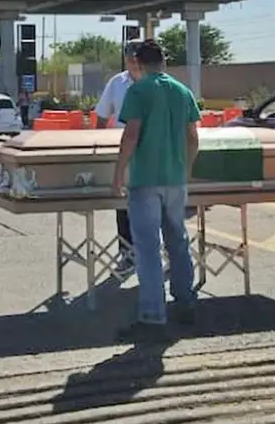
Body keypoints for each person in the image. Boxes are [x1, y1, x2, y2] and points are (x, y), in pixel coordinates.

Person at [111, 38, 201, 342]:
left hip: (145, 179)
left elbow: (131, 134)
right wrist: (185, 170)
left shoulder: (138, 91)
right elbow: (193, 137)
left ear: (138, 62)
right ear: (164, 61)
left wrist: (118, 173)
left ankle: (153, 314)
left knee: (148, 247)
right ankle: (185, 300)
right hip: (176, 179)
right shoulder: (182, 91)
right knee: (177, 238)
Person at [94, 39, 144, 277]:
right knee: (123, 206)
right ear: (126, 59)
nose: (134, 62)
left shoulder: (156, 83)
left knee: (153, 205)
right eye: (131, 58)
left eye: (138, 58)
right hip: (122, 150)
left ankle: (155, 253)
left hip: (151, 150)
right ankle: (127, 254)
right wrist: (98, 144)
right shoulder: (116, 83)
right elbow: (103, 116)